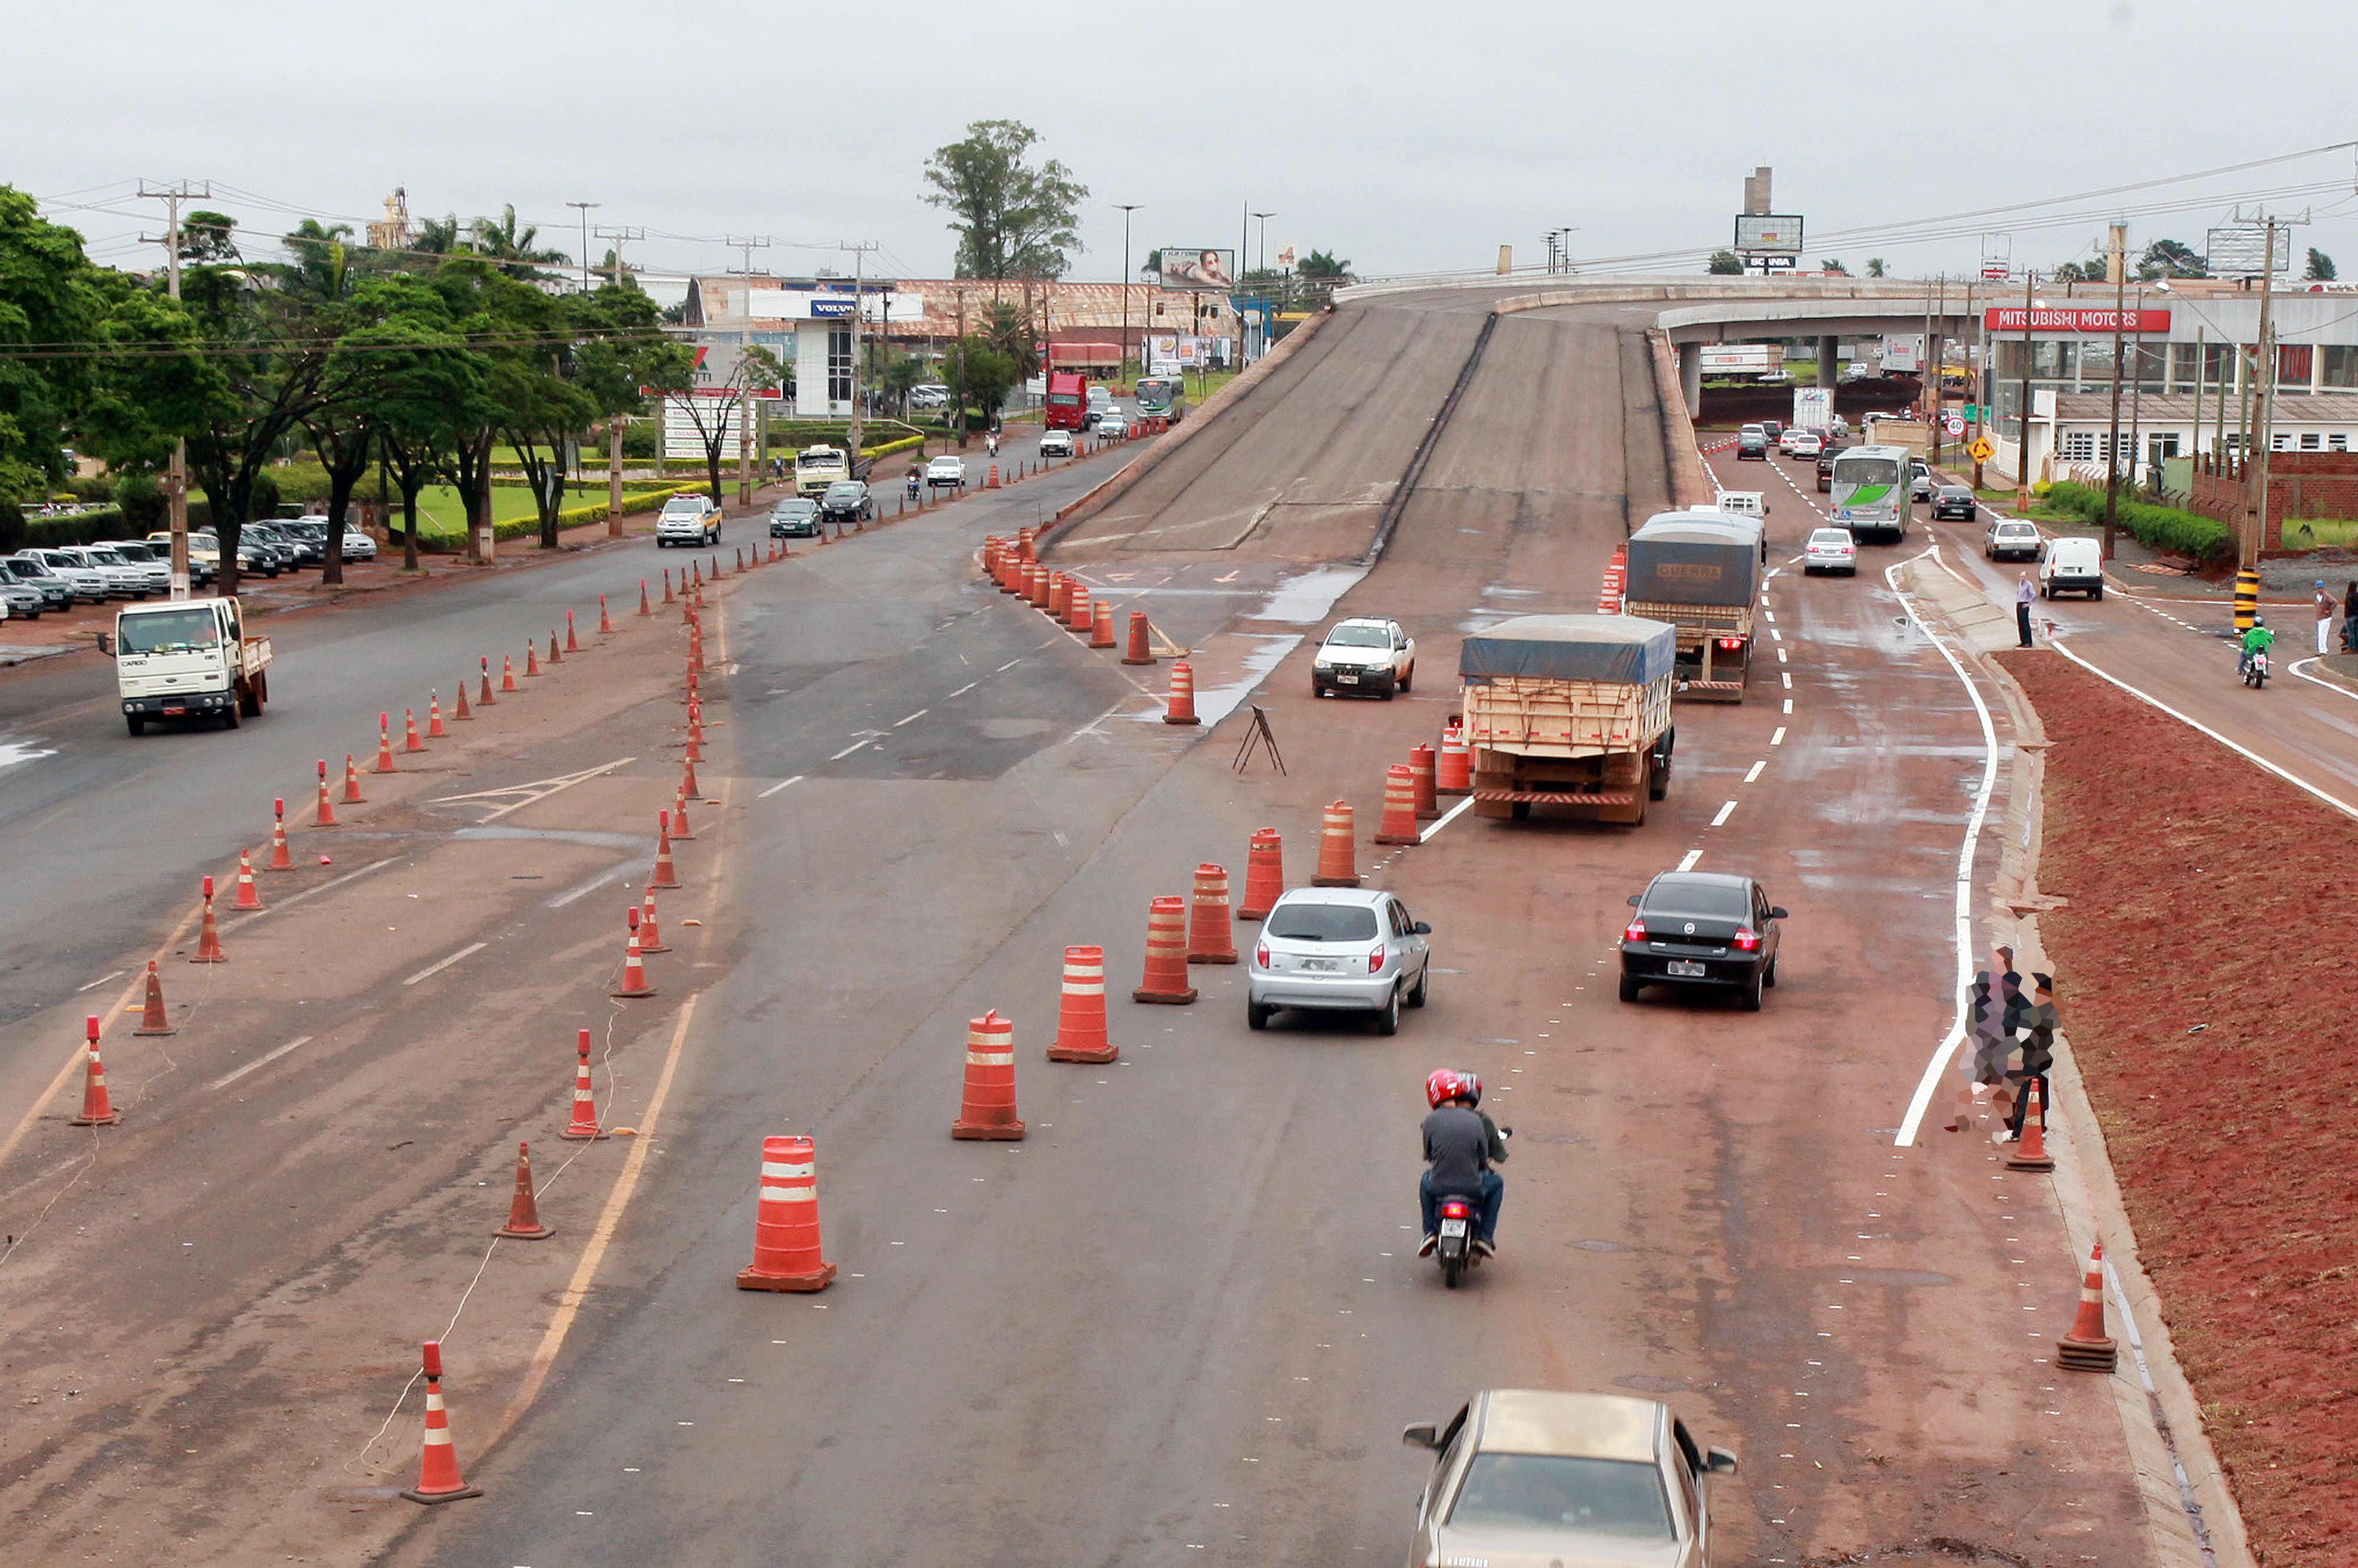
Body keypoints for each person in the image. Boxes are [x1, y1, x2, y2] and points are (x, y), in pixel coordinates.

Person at [1418, 1069, 1506, 1258]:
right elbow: (1483, 1158)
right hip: (1473, 1186)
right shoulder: (1477, 1120)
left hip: (1439, 1186)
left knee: (1425, 1180)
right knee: (1497, 1183)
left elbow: (1429, 1155)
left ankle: (1429, 1233)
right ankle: (1485, 1237)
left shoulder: (1429, 1121)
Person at [2004, 973, 2059, 1143]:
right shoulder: (2048, 1010)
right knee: (2041, 1094)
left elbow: (2027, 1035)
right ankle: (2041, 1128)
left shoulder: (2040, 1011)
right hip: (2043, 1060)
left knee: (2025, 1095)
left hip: (2033, 1060)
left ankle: (2018, 1131)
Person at [2240, 613, 2274, 679]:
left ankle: (2240, 669)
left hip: (2252, 652)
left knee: (2243, 653)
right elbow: (2271, 641)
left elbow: (2245, 643)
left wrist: (2245, 647)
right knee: (2265, 659)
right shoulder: (2266, 632)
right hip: (2264, 652)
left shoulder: (2250, 633)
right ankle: (2266, 672)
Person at [2016, 573, 2036, 648]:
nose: (2022, 578)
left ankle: (2028, 642)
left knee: (2025, 623)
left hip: (2024, 604)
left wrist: (2029, 603)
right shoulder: (2020, 584)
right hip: (2019, 603)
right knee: (2020, 623)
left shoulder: (2029, 585)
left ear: (2026, 577)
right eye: (2021, 576)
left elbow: (2034, 595)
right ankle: (2023, 641)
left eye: (2023, 577)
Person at [2316, 580, 2336, 657]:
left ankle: (2323, 651)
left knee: (2322, 634)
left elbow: (2335, 602)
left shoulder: (2327, 596)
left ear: (2323, 588)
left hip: (2326, 618)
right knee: (2320, 634)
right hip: (2320, 618)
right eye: (2318, 588)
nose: (2319, 590)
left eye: (2321, 588)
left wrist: (2330, 610)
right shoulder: (2318, 597)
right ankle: (2322, 649)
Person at [2341, 581, 2358, 653]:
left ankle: (2351, 648)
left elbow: (2351, 606)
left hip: (2350, 616)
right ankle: (2356, 647)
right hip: (2356, 617)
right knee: (2356, 633)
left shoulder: (2349, 595)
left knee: (2351, 633)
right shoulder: (2357, 595)